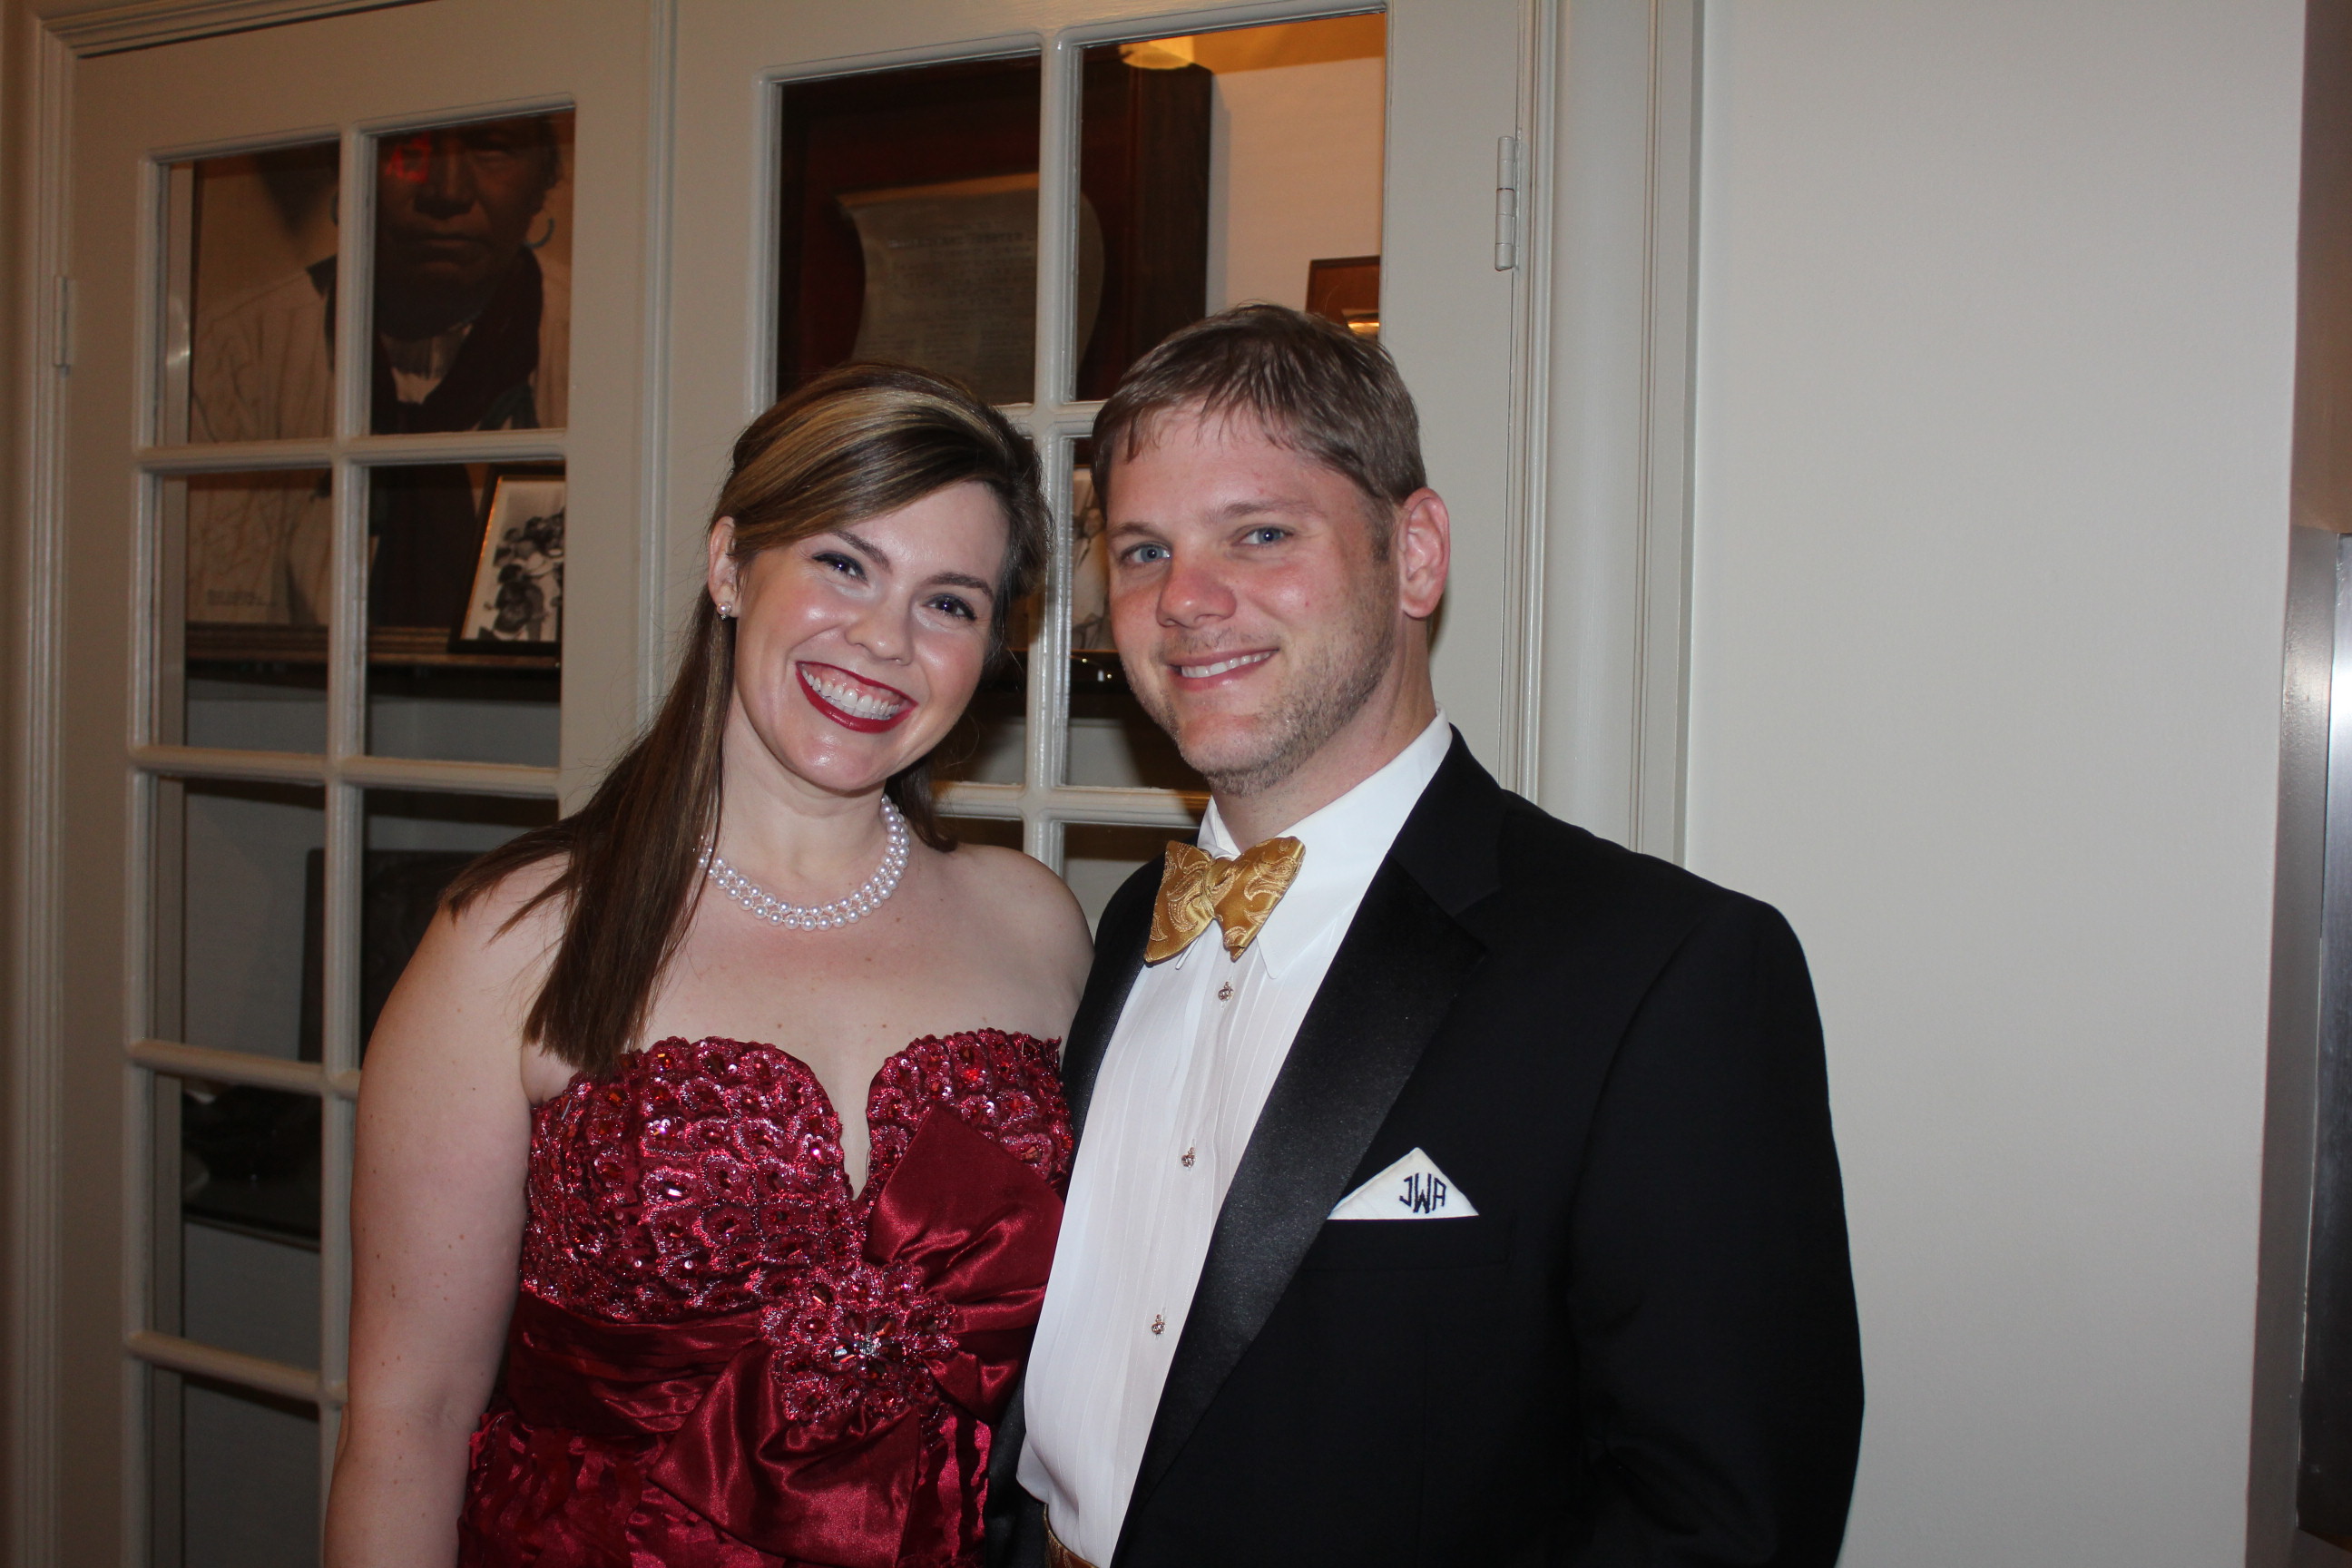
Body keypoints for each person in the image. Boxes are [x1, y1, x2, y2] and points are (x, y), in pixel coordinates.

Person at [1003, 306, 1865, 1567]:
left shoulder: (1667, 977)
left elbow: (1722, 1526)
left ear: (1414, 555)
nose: (1184, 599)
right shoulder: (1132, 922)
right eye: (1143, 551)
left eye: (1260, 533)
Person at [324, 364, 1093, 1568]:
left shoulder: (1036, 926)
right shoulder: (519, 938)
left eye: (948, 602)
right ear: (731, 565)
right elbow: (406, 1426)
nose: (885, 640)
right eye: (844, 564)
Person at [188, 114, 570, 629]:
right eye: (408, 150)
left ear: (543, 181)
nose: (447, 192)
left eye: (491, 147)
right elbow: (218, 627)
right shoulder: (243, 350)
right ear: (346, 170)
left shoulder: (595, 348)